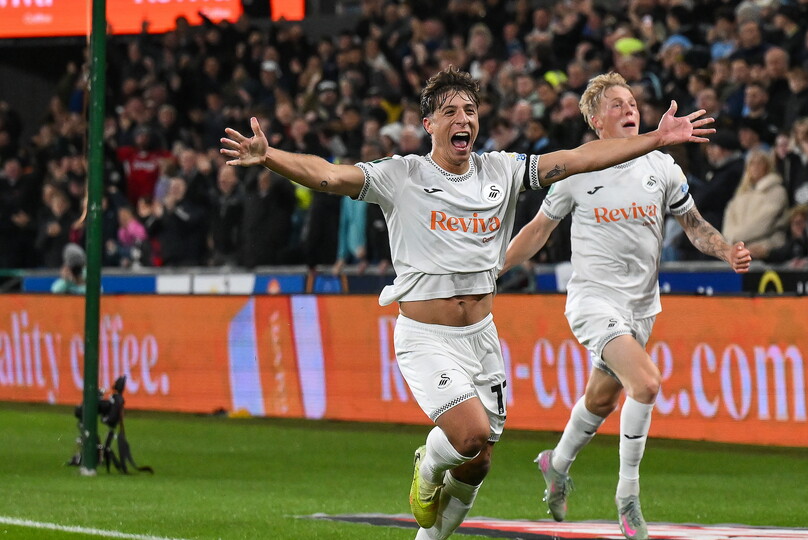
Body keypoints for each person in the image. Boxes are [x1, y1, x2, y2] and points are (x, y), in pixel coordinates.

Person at [220, 66, 714, 540]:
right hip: (425, 336)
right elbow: (328, 175)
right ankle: (427, 463)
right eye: (451, 111)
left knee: (479, 462)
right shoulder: (402, 175)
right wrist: (271, 156)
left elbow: (578, 159)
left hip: (480, 337)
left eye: (471, 111)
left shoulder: (502, 169)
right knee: (471, 434)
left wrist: (655, 139)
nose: (464, 120)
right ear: (428, 123)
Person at [500, 72, 749, 540]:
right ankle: (628, 497)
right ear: (596, 121)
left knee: (601, 398)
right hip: (593, 300)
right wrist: (494, 268)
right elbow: (538, 230)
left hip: (641, 307)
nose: (628, 109)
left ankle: (555, 465)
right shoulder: (577, 170)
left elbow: (693, 225)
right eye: (615, 104)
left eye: (631, 101)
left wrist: (726, 250)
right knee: (647, 384)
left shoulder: (662, 167)